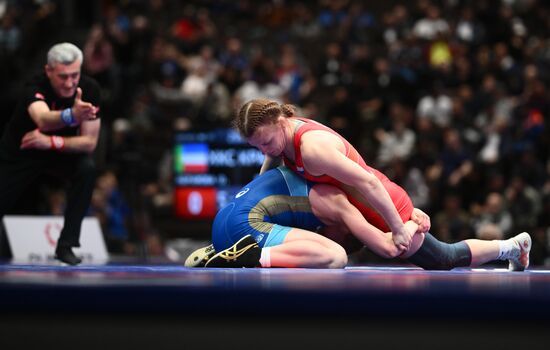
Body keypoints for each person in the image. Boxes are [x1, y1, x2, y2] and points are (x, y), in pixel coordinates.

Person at [185, 167, 531, 271]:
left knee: (442, 255)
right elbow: (389, 246)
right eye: (350, 236)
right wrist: (412, 225)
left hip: (222, 224)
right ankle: (252, 258)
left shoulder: (305, 167)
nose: (344, 239)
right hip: (250, 231)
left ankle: (511, 247)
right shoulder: (339, 205)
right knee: (333, 259)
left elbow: (273, 155)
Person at [234, 98, 416, 252]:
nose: (264, 151)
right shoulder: (281, 135)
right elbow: (263, 182)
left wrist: (399, 227)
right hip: (376, 203)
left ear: (281, 122)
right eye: (258, 147)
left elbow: (369, 183)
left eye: (266, 143)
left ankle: (414, 220)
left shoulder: (312, 149)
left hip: (384, 209)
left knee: (424, 254)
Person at [0, 42, 101, 265]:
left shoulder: (90, 90)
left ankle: (66, 245)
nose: (70, 83)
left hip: (56, 149)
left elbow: (89, 143)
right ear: (49, 71)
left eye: (74, 75)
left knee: (87, 169)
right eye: (63, 76)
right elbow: (42, 119)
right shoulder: (34, 85)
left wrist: (51, 142)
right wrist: (71, 115)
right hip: (22, 150)